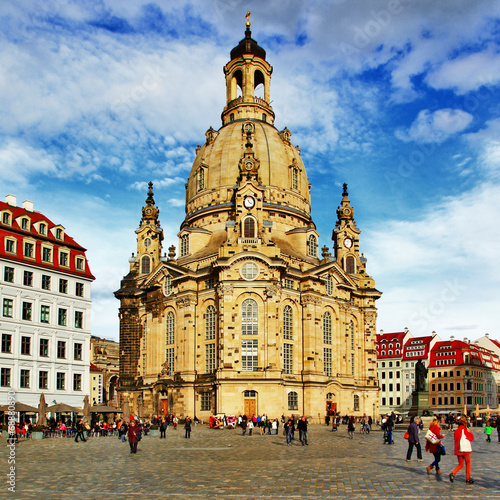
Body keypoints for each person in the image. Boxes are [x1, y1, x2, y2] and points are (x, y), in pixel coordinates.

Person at [450, 415, 475, 484]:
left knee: (461, 464)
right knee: (468, 464)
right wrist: (468, 431)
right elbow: (471, 438)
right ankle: (468, 478)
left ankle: (453, 473)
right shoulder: (465, 430)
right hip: (465, 449)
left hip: (458, 449)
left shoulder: (457, 431)